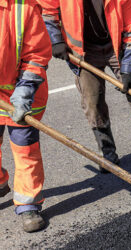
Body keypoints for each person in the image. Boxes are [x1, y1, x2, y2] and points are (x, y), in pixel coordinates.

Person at [39, 0, 131, 171]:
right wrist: (55, 40)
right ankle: (108, 155)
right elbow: (47, 11)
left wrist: (127, 71)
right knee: (93, 104)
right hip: (85, 51)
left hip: (118, 47)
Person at [0, 0, 51, 232]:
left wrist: (22, 94)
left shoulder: (24, 7)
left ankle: (28, 204)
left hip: (22, 93)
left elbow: (37, 55)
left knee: (25, 149)